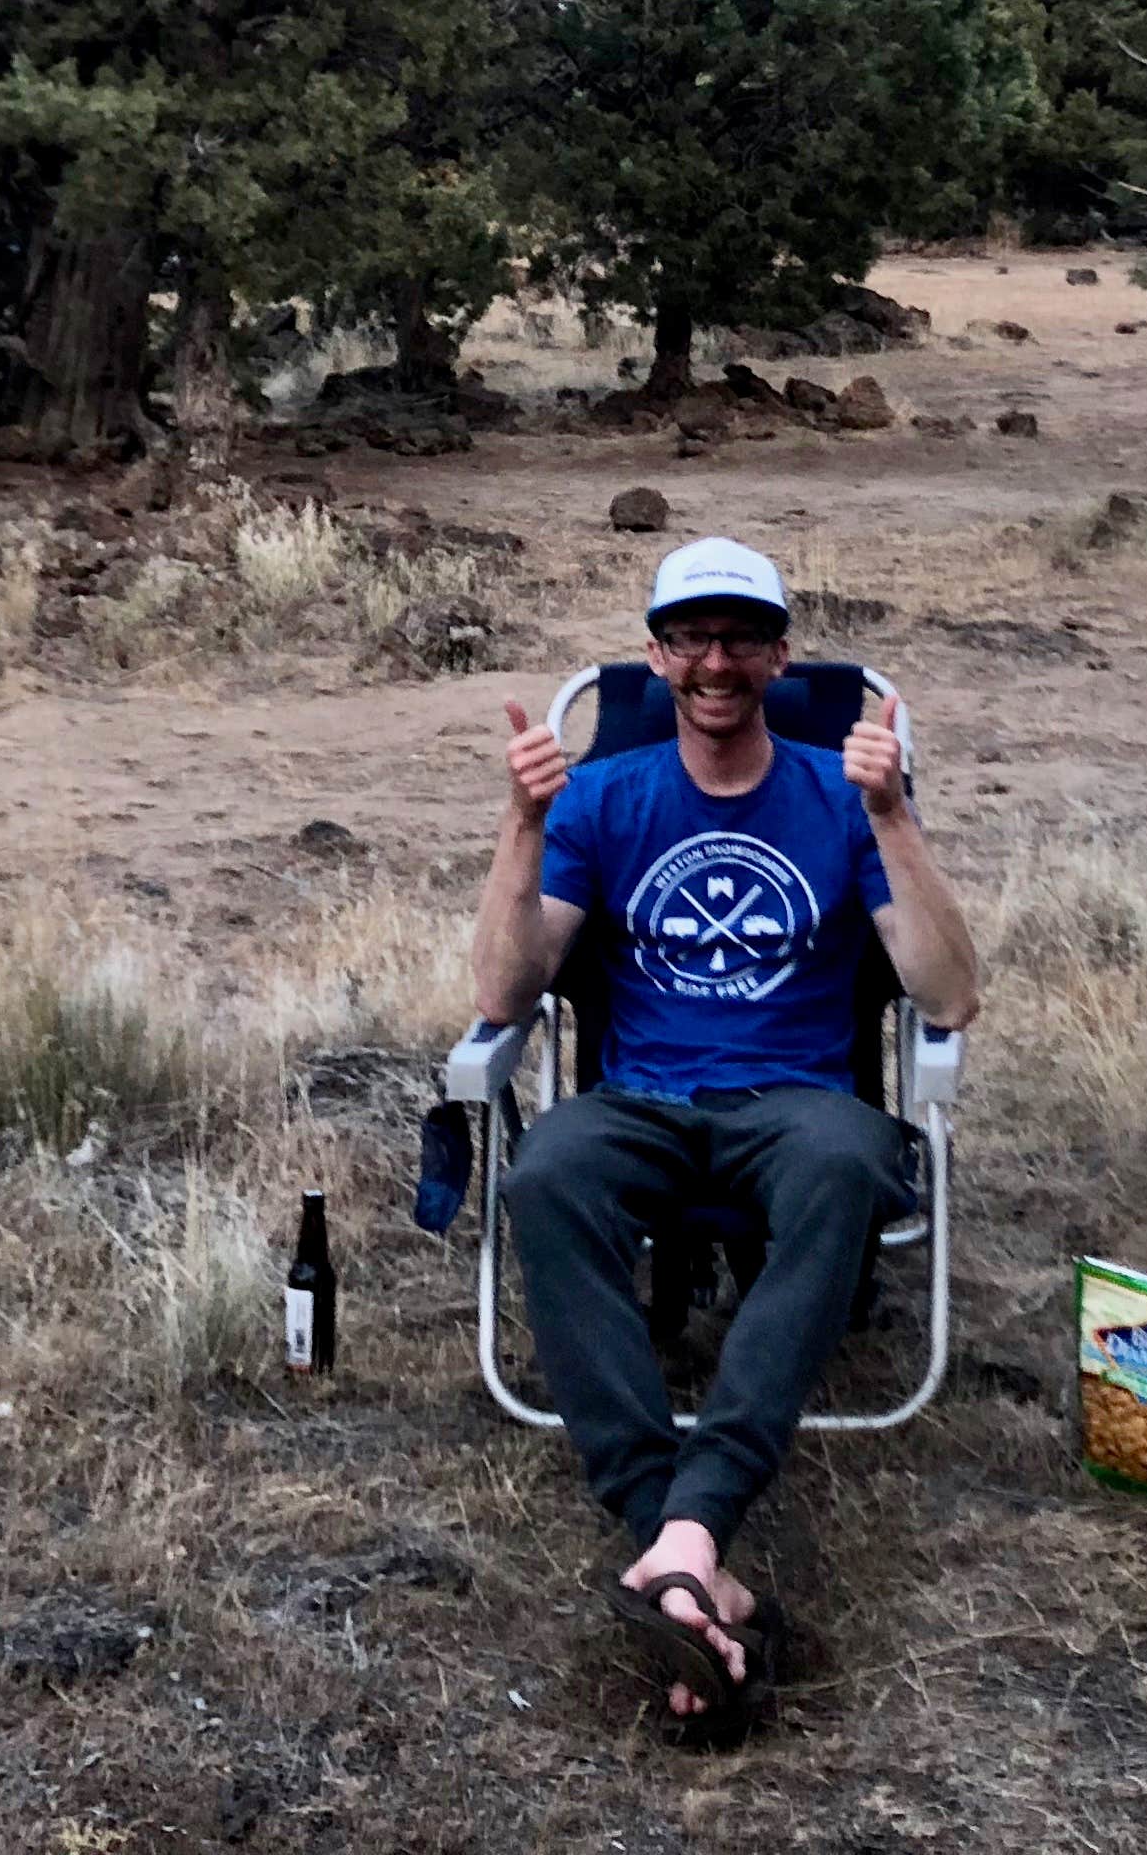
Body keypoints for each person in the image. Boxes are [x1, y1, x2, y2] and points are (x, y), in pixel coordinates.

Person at [471, 535, 980, 1730]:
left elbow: (950, 998)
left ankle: (671, 1536)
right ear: (654, 662)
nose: (715, 661)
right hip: (642, 1100)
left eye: (742, 637)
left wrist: (895, 816)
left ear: (779, 656)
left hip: (795, 1104)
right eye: (690, 639)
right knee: (546, 1171)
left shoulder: (841, 795)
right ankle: (689, 1544)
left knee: (853, 1158)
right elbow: (504, 996)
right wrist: (520, 825)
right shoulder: (600, 798)